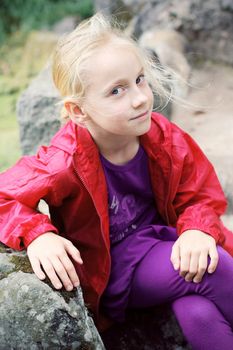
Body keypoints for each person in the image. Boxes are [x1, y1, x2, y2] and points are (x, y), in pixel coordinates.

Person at [1, 13, 233, 349]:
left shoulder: (160, 135)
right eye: (116, 91)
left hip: (164, 242)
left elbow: (198, 191)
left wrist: (197, 228)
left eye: (139, 79)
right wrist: (38, 236)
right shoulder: (64, 160)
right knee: (211, 268)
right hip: (117, 267)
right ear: (78, 111)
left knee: (196, 312)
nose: (139, 97)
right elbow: (4, 195)